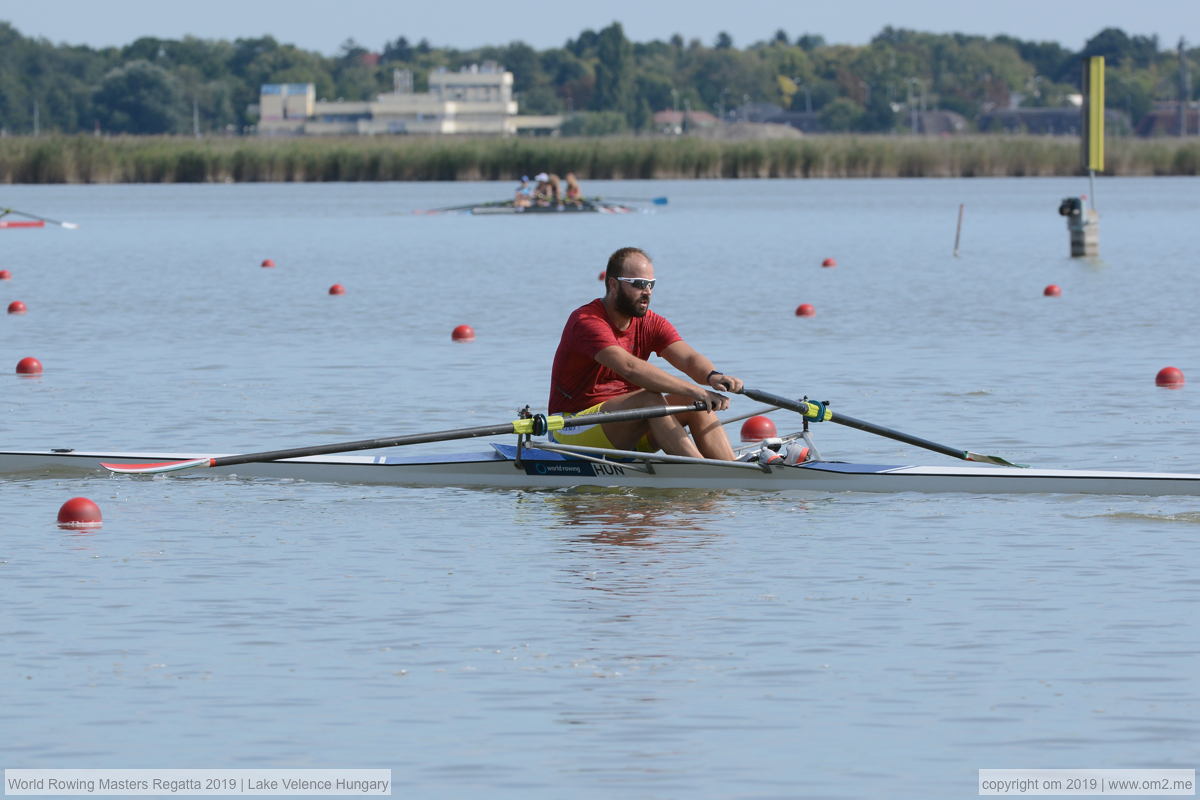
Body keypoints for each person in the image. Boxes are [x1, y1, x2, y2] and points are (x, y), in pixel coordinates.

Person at [548, 246, 744, 460]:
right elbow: (630, 368)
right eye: (639, 284)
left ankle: (735, 470)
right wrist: (697, 390)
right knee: (651, 398)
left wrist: (712, 376)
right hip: (572, 427)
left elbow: (688, 358)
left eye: (651, 284)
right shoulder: (587, 321)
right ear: (613, 285)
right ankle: (703, 472)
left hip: (628, 424)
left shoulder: (651, 323)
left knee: (694, 404)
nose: (647, 291)